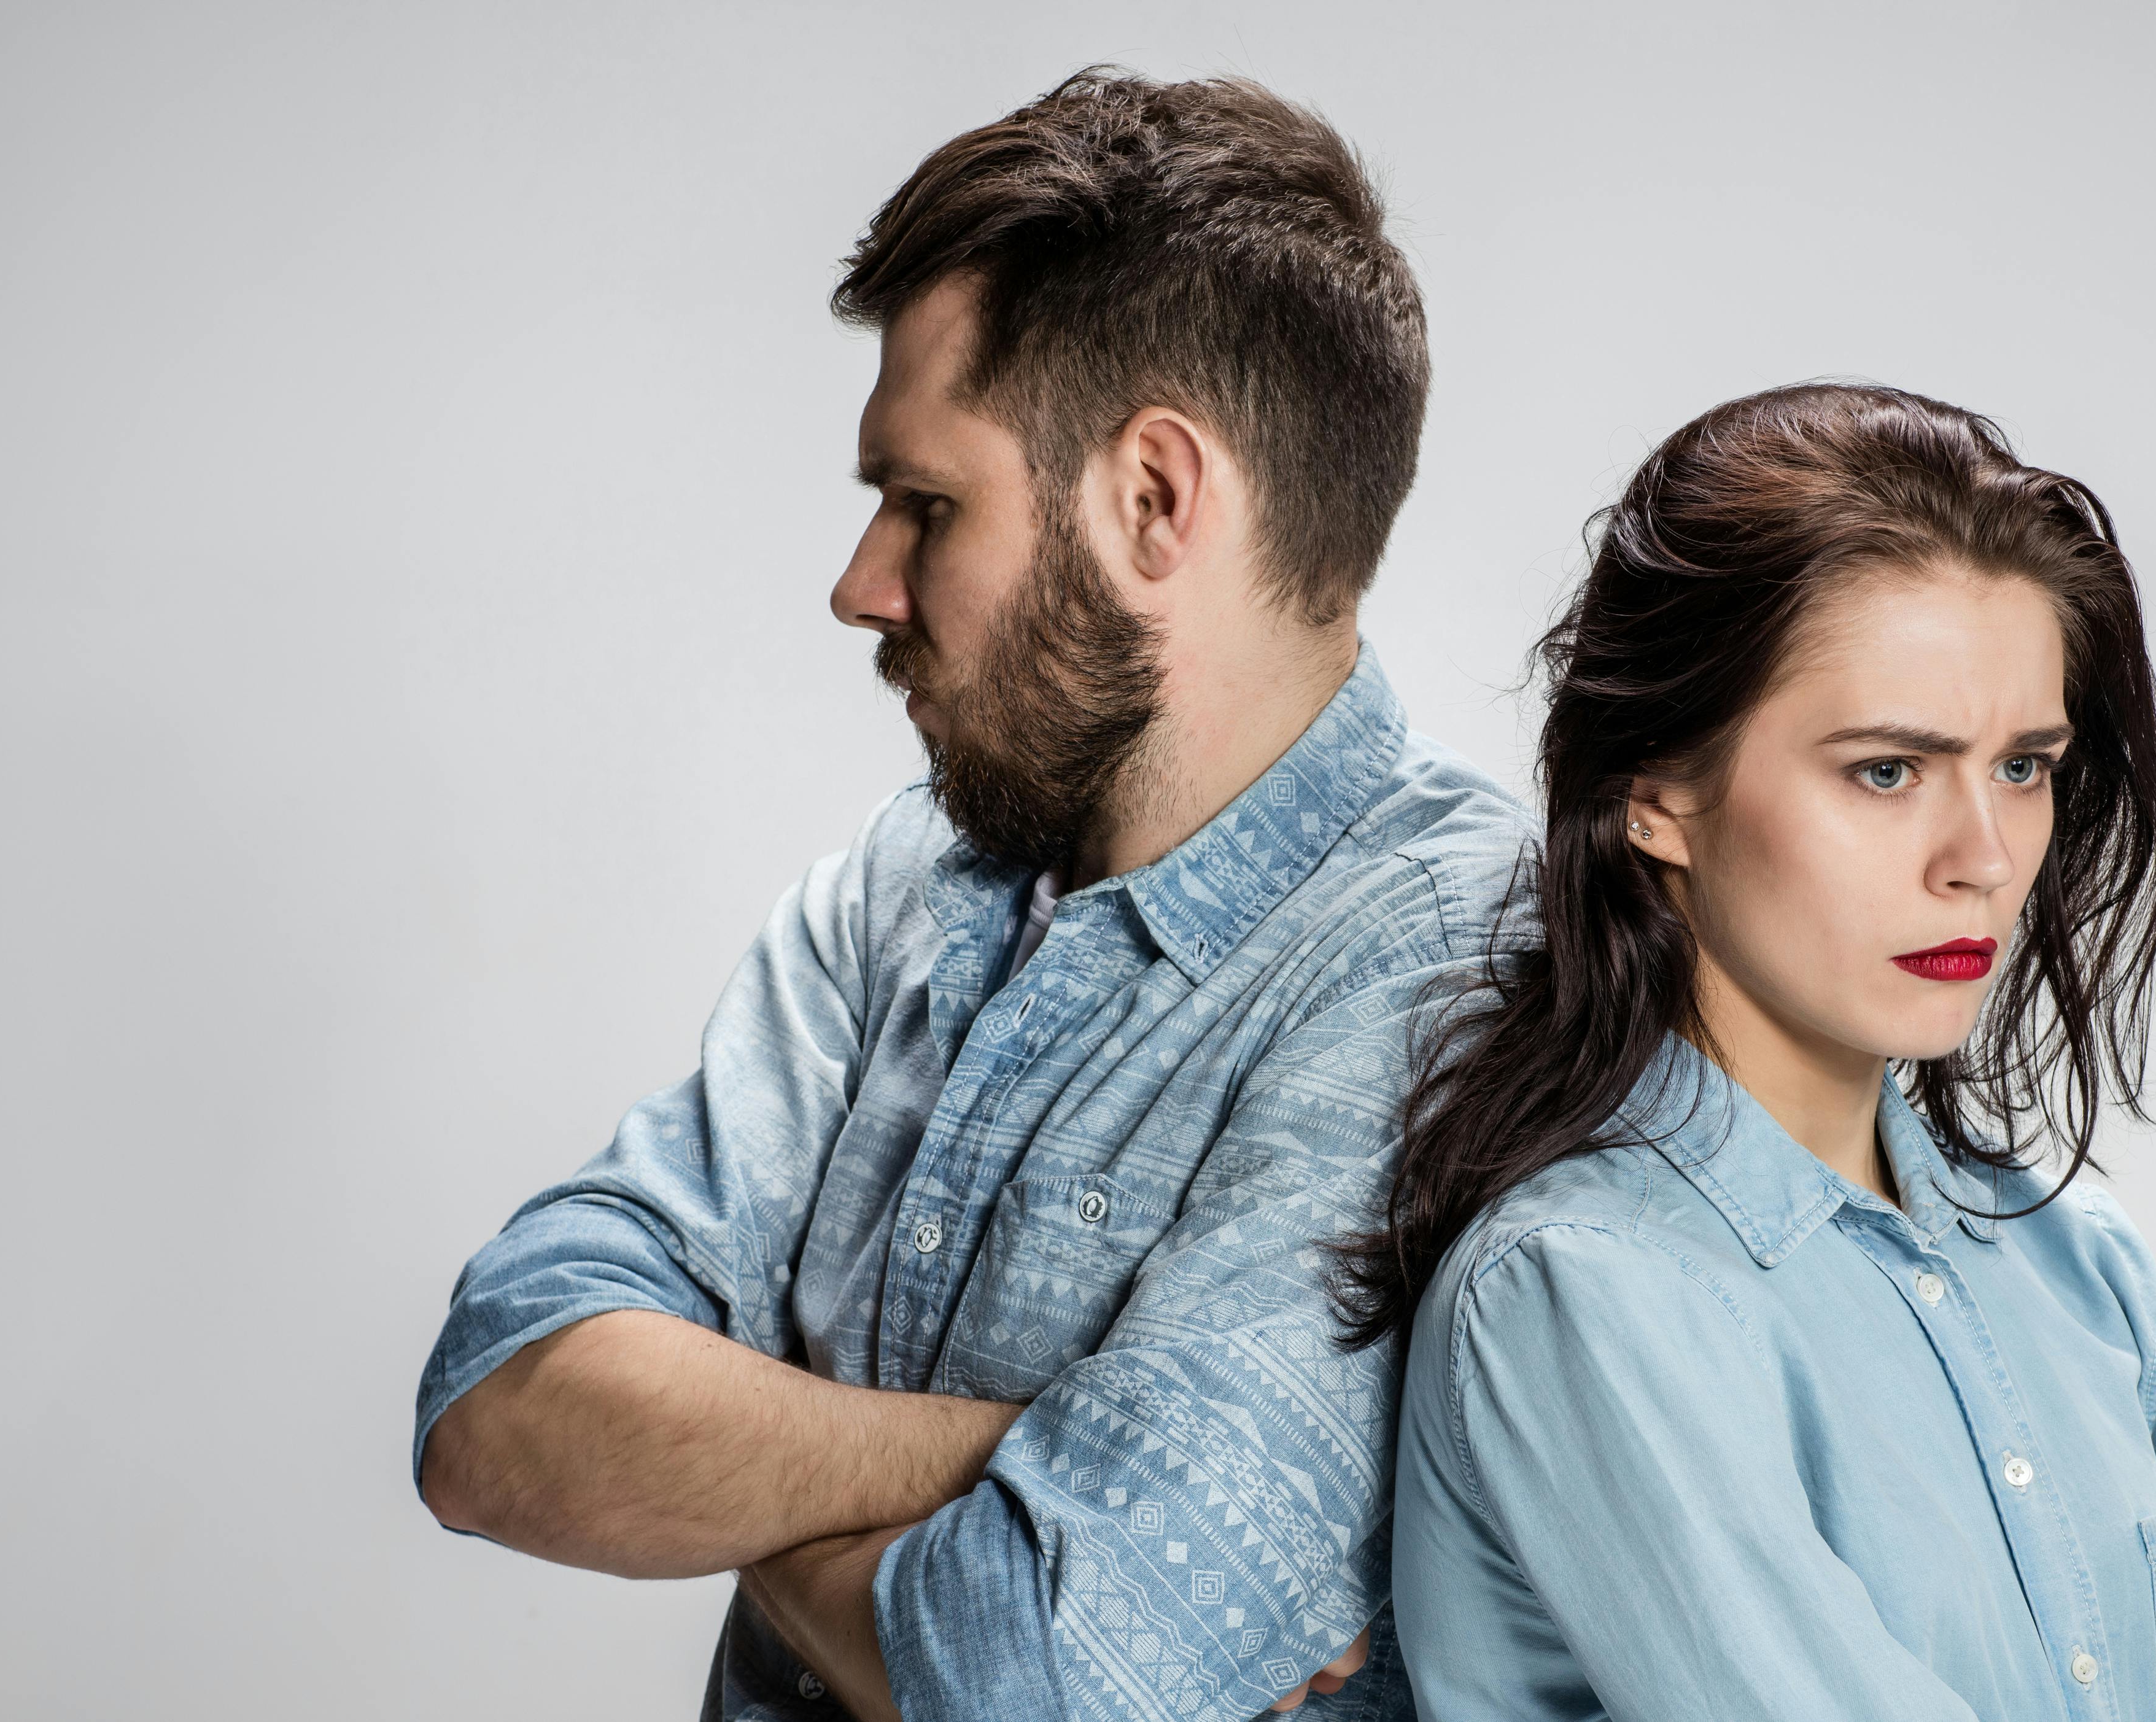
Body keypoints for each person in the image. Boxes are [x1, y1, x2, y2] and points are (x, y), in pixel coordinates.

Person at [414, 71, 1528, 1721]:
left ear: (1155, 498)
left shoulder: (1455, 964)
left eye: (928, 502)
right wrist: (1032, 1456)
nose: (862, 584)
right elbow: (499, 1412)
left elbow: (1047, 1670)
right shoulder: (908, 881)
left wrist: (735, 1456)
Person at [1341, 384, 2156, 1721]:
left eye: (2023, 766)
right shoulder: (1580, 1296)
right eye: (1885, 770)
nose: (1980, 858)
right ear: (1657, 794)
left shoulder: (2073, 1259)